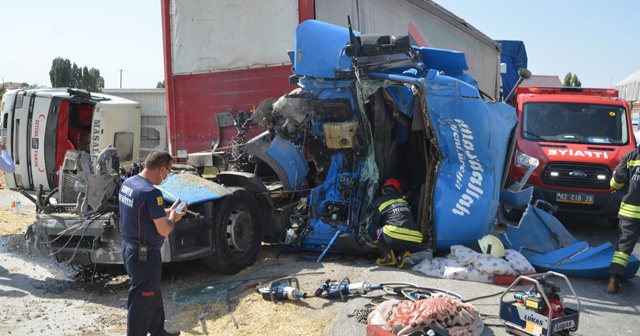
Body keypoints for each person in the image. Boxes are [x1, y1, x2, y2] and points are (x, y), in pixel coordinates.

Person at [119, 150, 186, 336]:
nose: (167, 176)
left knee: (152, 292)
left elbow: (143, 213)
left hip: (129, 249)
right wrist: (173, 217)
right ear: (162, 169)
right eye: (169, 171)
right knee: (142, 300)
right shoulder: (151, 192)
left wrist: (165, 211)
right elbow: (164, 229)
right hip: (145, 255)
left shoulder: (129, 183)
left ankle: (158, 332)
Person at [368, 178, 424, 268]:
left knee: (372, 228)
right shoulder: (404, 201)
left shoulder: (380, 201)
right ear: (398, 191)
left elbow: (376, 222)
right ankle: (406, 253)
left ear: (383, 190)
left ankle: (389, 258)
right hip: (416, 241)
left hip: (394, 239)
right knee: (402, 235)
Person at [608, 144, 640, 294]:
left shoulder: (630, 157)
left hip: (630, 212)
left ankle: (614, 278)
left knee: (623, 249)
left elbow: (616, 183)